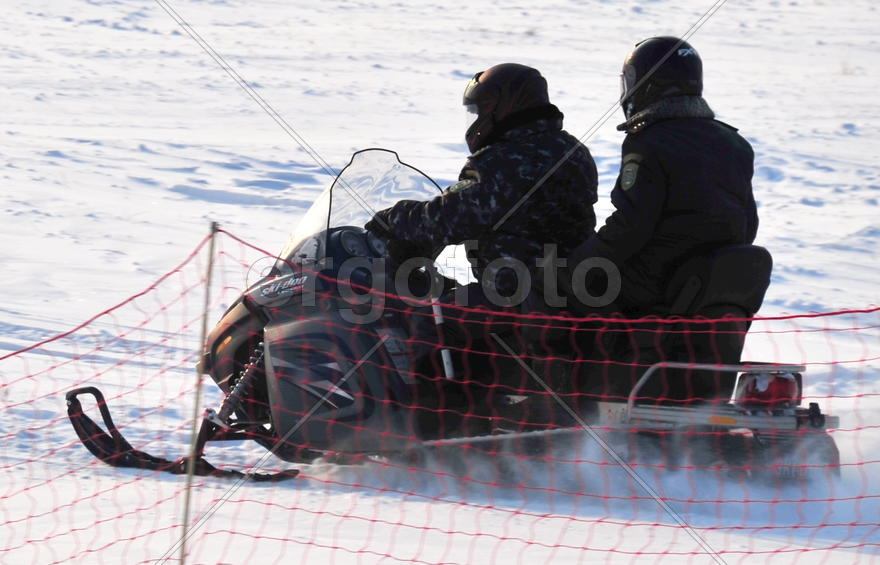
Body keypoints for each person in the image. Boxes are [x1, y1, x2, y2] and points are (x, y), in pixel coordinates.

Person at [365, 62, 598, 367]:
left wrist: (395, 218)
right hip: (566, 289)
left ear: (504, 107)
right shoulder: (571, 149)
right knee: (452, 298)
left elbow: (453, 216)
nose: (476, 120)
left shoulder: (504, 159)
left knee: (421, 326)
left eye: (480, 110)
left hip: (515, 295)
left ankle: (428, 413)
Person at [569, 36, 759, 315]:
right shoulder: (734, 143)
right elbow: (747, 226)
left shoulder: (648, 142)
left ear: (649, 83)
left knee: (549, 288)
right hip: (706, 289)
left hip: (651, 290)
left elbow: (630, 228)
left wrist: (577, 264)